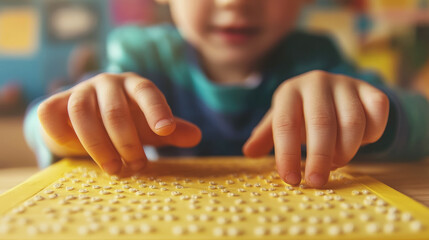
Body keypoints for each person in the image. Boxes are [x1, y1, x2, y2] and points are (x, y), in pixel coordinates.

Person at [24, 0, 429, 188]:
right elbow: (46, 117)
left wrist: (380, 114)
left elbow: (422, 123)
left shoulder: (317, 57)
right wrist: (59, 127)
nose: (235, 2)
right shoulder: (139, 57)